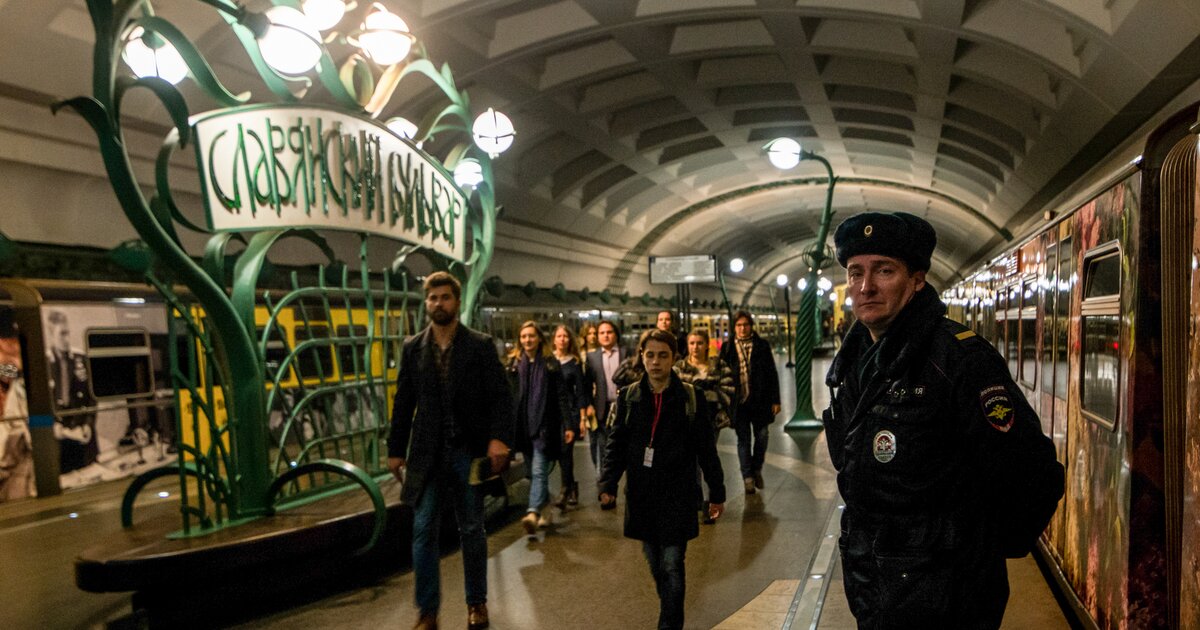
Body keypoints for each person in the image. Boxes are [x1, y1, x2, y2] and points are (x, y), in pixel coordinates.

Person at [823, 211, 1064, 629]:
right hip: (875, 583)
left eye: (884, 270)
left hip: (947, 596)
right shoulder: (855, 363)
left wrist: (975, 557)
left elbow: (1032, 471)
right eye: (855, 272)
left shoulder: (958, 360)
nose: (866, 286)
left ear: (917, 279)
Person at [387, 271, 514, 630]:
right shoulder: (413, 348)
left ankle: (477, 603)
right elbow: (403, 402)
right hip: (426, 454)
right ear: (426, 303)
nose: (438, 303)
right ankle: (427, 611)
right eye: (432, 298)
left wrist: (499, 438)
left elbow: (501, 397)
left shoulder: (479, 345)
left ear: (457, 303)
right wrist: (396, 449)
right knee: (423, 528)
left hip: (467, 452)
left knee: (472, 527)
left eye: (444, 297)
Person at [599, 329, 725, 630]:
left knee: (672, 563)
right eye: (650, 355)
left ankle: (669, 624)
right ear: (642, 357)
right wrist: (608, 483)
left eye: (663, 355)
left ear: (674, 358)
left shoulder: (689, 398)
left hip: (678, 495)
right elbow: (616, 444)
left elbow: (706, 450)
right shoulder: (629, 397)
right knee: (655, 561)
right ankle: (669, 608)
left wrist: (716, 492)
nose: (656, 362)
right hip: (642, 495)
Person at [505, 321, 574, 538]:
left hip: (545, 425)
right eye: (524, 336)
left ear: (539, 339)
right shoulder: (514, 365)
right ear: (520, 340)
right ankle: (545, 511)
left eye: (531, 336)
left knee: (537, 469)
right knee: (533, 472)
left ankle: (533, 512)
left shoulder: (550, 364)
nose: (527, 340)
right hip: (523, 426)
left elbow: (562, 396)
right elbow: (508, 397)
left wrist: (568, 425)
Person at [674, 328, 735, 523]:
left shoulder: (718, 365)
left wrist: (701, 395)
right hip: (685, 422)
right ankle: (697, 501)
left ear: (707, 344)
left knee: (707, 459)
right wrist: (703, 394)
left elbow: (728, 391)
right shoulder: (679, 367)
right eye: (692, 343)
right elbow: (676, 395)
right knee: (691, 463)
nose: (695, 347)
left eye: (699, 343)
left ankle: (710, 502)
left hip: (711, 421)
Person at [719, 310, 780, 495]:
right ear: (734, 328)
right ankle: (747, 478)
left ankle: (756, 468)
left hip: (760, 401)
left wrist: (775, 400)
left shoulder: (762, 345)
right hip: (739, 403)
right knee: (743, 440)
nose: (742, 328)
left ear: (751, 326)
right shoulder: (727, 348)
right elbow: (722, 375)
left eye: (745, 325)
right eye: (739, 325)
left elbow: (771, 373)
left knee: (762, 437)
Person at [45, 310, 98, 475]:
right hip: (59, 440)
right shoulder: (43, 363)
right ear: (51, 335)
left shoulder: (80, 359)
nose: (67, 339)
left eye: (67, 333)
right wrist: (52, 426)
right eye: (62, 334)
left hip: (82, 435)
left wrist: (88, 424)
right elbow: (38, 404)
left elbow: (92, 398)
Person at [584, 320, 627, 502]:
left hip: (624, 406)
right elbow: (587, 384)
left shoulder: (626, 353)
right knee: (605, 449)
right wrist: (588, 405)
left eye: (609, 332)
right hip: (603, 407)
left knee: (626, 447)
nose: (606, 335)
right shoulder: (592, 357)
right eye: (602, 333)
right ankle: (607, 492)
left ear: (615, 334)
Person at [551, 325, 588, 508]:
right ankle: (572, 486)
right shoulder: (548, 361)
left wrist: (582, 418)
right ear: (554, 339)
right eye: (559, 336)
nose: (563, 339)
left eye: (566, 336)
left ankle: (565, 489)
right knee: (559, 453)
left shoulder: (574, 362)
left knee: (566, 451)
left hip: (571, 413)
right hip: (552, 413)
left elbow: (581, 392)